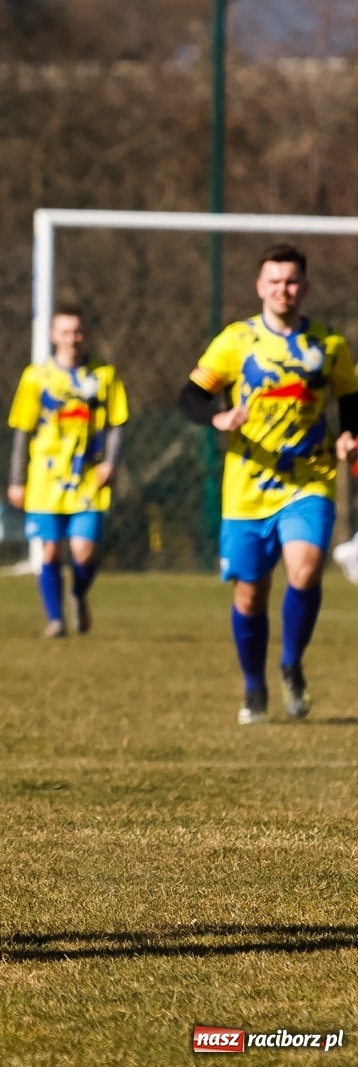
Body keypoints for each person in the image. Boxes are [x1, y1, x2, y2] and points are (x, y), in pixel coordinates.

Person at [179, 243, 358, 726]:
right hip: (248, 487)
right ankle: (254, 687)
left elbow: (350, 399)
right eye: (275, 281)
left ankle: (292, 664)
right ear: (260, 286)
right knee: (250, 595)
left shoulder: (329, 343)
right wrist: (218, 418)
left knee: (305, 569)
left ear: (305, 286)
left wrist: (348, 435)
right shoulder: (236, 341)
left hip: (310, 480)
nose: (284, 289)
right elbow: (190, 396)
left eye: (292, 280)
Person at [6, 307, 128, 636]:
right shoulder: (36, 376)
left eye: (77, 331)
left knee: (84, 551)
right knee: (50, 549)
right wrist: (16, 480)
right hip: (46, 479)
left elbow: (117, 423)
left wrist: (110, 463)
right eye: (64, 331)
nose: (71, 338)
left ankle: (78, 594)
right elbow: (22, 430)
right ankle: (56, 620)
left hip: (87, 477)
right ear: (52, 335)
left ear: (85, 334)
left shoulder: (104, 375)